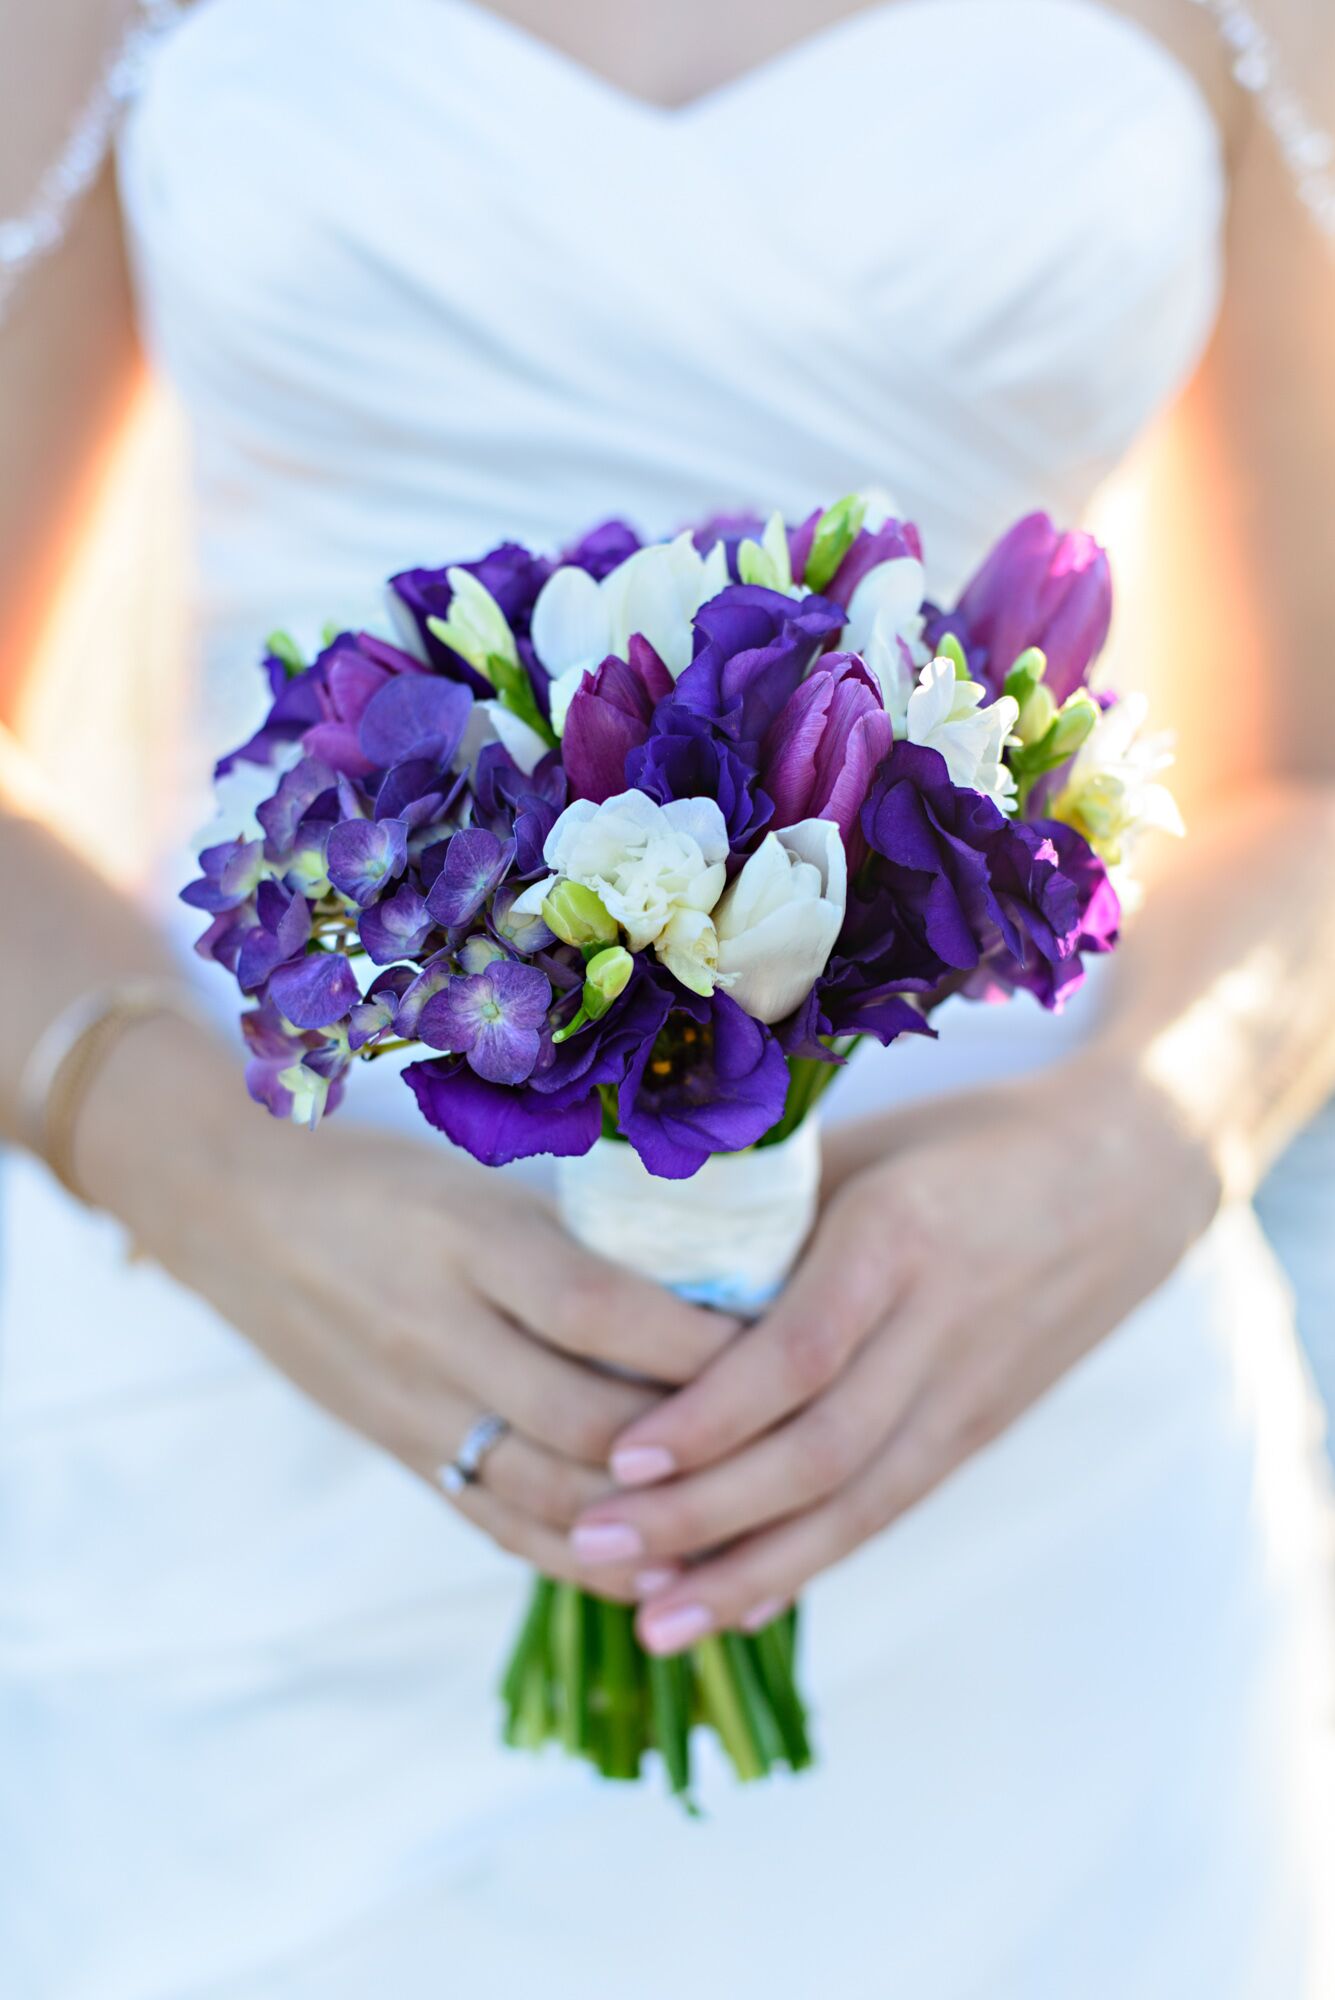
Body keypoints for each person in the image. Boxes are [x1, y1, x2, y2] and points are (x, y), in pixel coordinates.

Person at [2, 2, 1334, 1993]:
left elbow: (1299, 776)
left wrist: (1137, 1144)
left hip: (1005, 1407)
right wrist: (207, 1187)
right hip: (254, 1417)